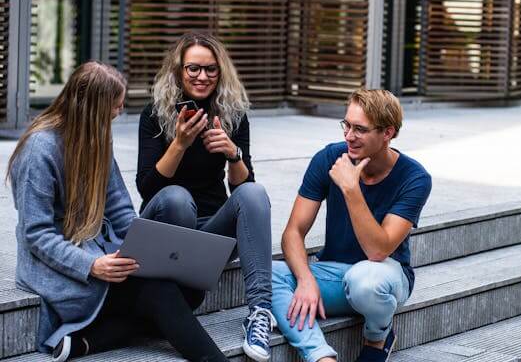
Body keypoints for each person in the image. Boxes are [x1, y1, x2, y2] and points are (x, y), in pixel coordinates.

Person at [8, 61, 229, 362]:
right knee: (159, 292)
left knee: (190, 292)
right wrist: (92, 265)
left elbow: (121, 209)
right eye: (115, 106)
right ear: (92, 108)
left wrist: (148, 248)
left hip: (102, 253)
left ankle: (90, 340)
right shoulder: (40, 149)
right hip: (61, 267)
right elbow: (37, 234)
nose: (119, 112)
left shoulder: (97, 138)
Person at [136, 32, 274, 361]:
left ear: (221, 72)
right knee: (177, 198)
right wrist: (180, 143)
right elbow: (147, 188)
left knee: (255, 193)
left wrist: (233, 154)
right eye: (193, 68)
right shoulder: (155, 114)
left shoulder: (232, 113)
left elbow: (243, 193)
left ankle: (260, 314)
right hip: (166, 226)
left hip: (210, 232)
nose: (202, 77)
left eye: (211, 69)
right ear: (179, 71)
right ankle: (174, 301)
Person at [271, 89, 432, 362]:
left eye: (360, 129)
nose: (348, 136)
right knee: (266, 273)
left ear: (387, 133)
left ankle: (377, 339)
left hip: (385, 279)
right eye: (346, 125)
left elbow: (378, 251)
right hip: (334, 273)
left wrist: (351, 188)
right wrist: (306, 279)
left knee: (365, 280)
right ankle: (321, 357)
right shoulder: (329, 158)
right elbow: (293, 232)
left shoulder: (414, 177)